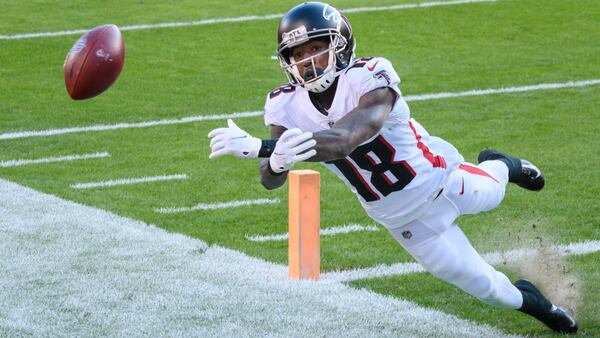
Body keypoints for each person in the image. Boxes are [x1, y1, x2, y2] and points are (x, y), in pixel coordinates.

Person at [207, 2, 578, 333]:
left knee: (494, 192)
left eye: (317, 48)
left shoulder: (368, 75)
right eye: (297, 53)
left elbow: (347, 139)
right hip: (404, 221)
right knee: (489, 289)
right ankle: (537, 303)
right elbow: (270, 181)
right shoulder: (284, 103)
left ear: (340, 45)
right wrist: (274, 161)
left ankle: (502, 163)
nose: (308, 61)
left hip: (441, 181)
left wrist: (259, 147)